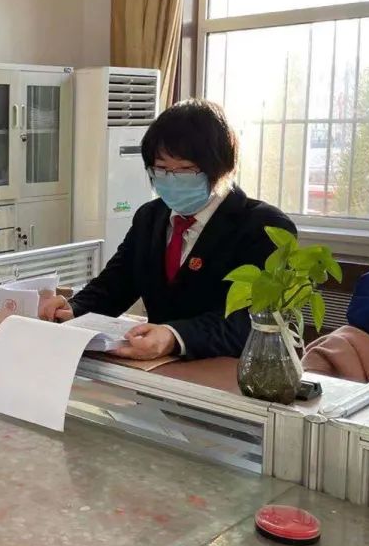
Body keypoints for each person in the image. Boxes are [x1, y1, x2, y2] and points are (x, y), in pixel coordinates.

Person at [38, 99, 294, 360]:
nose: (172, 179)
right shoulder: (150, 217)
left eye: (186, 169)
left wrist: (174, 336)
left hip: (228, 372)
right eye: (161, 169)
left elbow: (251, 320)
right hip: (155, 369)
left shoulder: (265, 227)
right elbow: (116, 283)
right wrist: (75, 308)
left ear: (221, 168)